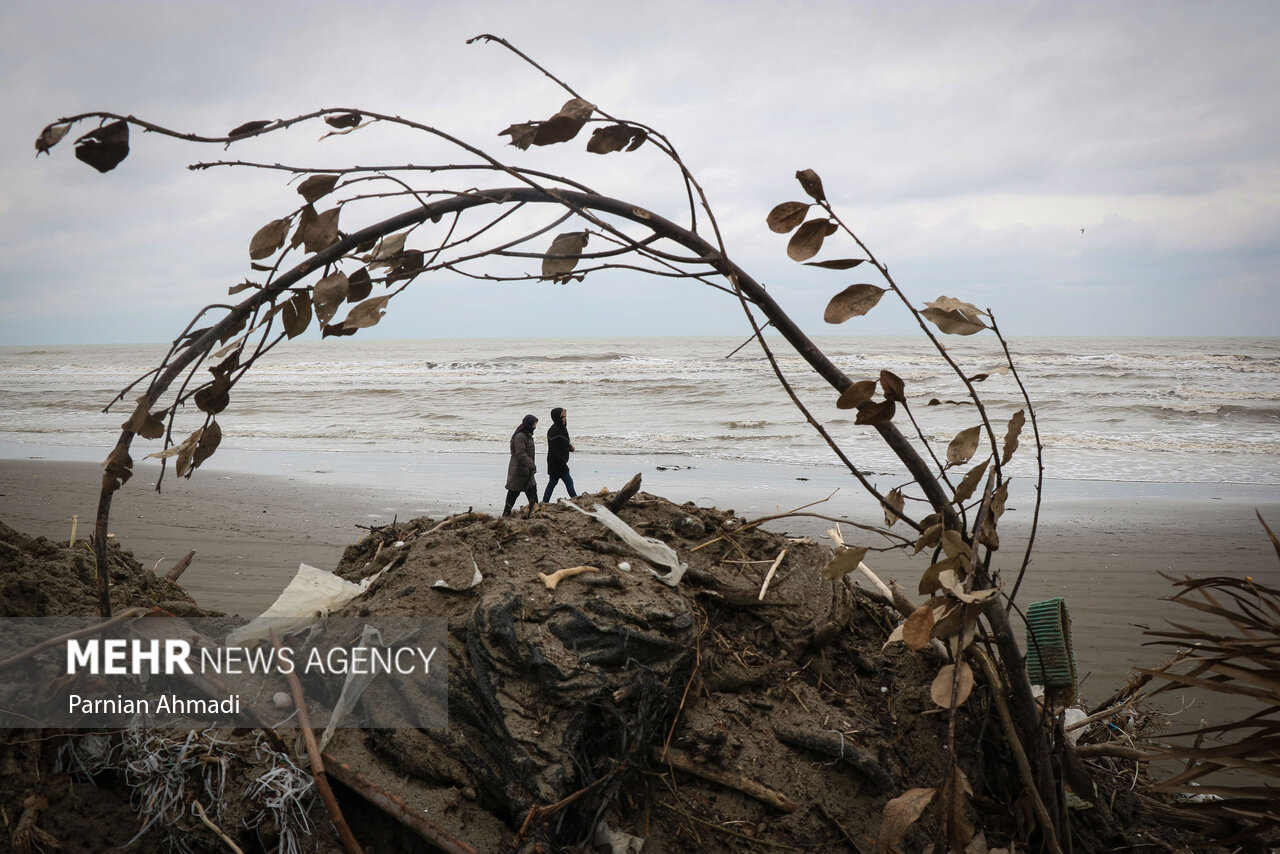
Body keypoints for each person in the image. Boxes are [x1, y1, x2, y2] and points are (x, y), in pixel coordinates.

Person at [503, 414, 539, 517]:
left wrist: (530, 466)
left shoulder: (527, 434)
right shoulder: (520, 436)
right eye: (533, 424)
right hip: (518, 470)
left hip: (527, 470)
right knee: (513, 492)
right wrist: (532, 465)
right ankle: (506, 513)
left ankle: (535, 512)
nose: (535, 427)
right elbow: (521, 454)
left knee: (532, 489)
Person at [542, 407, 577, 502]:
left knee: (552, 483)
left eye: (565, 416)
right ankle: (576, 500)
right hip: (556, 462)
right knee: (568, 481)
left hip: (558, 461)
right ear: (557, 418)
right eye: (563, 417)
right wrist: (562, 463)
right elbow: (553, 450)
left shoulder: (562, 428)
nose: (565, 419)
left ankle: (544, 502)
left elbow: (562, 443)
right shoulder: (553, 431)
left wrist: (569, 447)